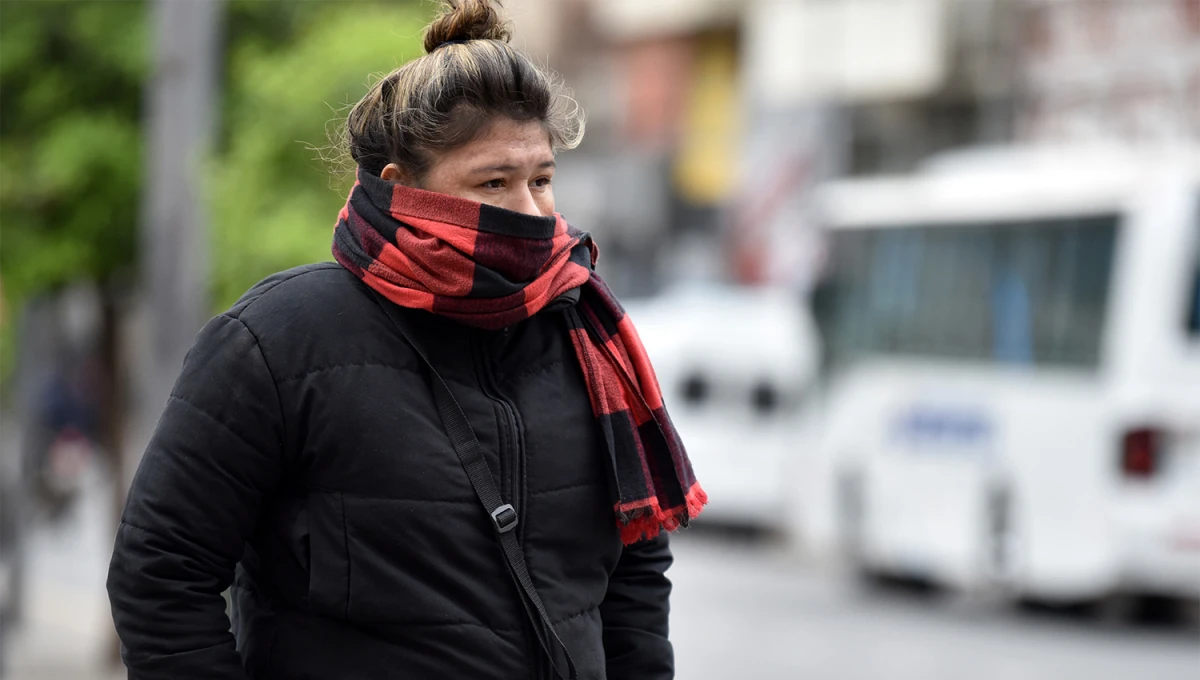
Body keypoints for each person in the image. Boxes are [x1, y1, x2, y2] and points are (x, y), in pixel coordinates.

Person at [106, 2, 705, 679]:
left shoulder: (586, 339)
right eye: (495, 183)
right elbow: (160, 574)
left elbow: (634, 580)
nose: (534, 213)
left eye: (542, 180)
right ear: (403, 190)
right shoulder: (275, 343)